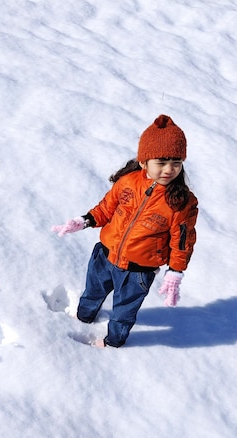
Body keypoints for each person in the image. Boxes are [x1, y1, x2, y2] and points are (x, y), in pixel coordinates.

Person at [52, 115, 198, 348]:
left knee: (124, 311)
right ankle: (83, 317)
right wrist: (84, 221)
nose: (169, 169)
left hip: (138, 272)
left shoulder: (181, 202)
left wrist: (175, 272)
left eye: (176, 162)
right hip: (105, 255)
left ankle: (113, 342)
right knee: (92, 292)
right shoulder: (128, 182)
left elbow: (182, 242)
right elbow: (106, 208)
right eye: (161, 162)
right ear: (144, 162)